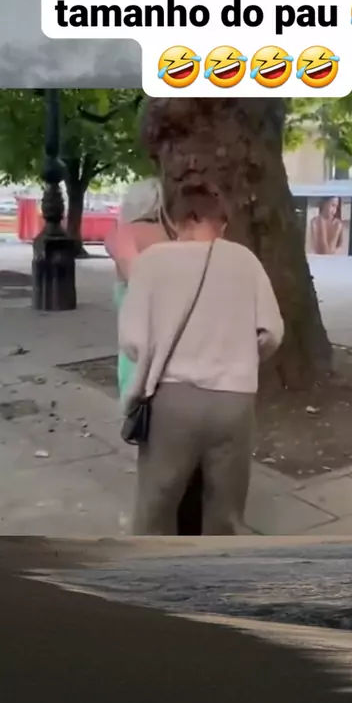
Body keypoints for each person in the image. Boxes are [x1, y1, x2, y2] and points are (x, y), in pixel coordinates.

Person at [119, 180, 284, 536]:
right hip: (234, 401)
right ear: (219, 220)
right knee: (225, 510)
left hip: (172, 401)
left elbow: (132, 341)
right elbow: (271, 332)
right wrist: (240, 357)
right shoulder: (245, 260)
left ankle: (153, 565)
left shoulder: (152, 262)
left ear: (175, 219)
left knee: (157, 503)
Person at [105, 178, 204, 535]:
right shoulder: (181, 241)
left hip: (140, 363)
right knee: (187, 454)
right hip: (187, 362)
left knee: (154, 457)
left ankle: (155, 531)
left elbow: (140, 284)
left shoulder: (123, 236)